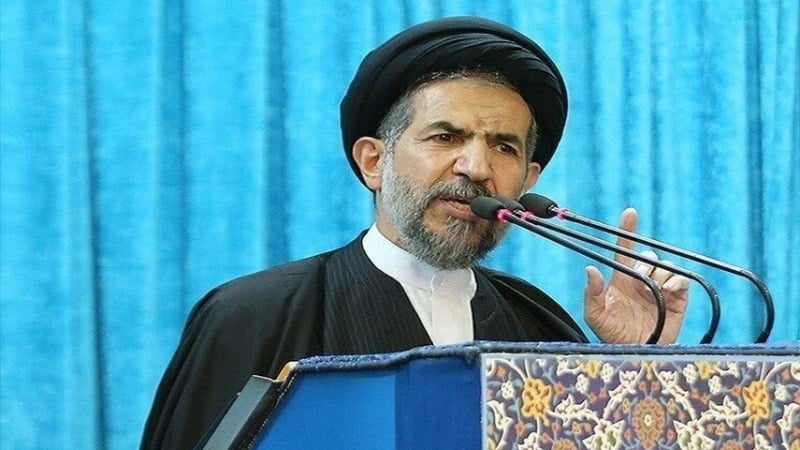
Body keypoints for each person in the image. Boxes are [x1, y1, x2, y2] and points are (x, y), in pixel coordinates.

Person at [140, 16, 689, 449]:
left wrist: (641, 366)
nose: (476, 167)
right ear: (373, 162)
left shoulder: (538, 325)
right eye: (445, 137)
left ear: (527, 182)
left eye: (504, 147)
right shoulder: (256, 315)